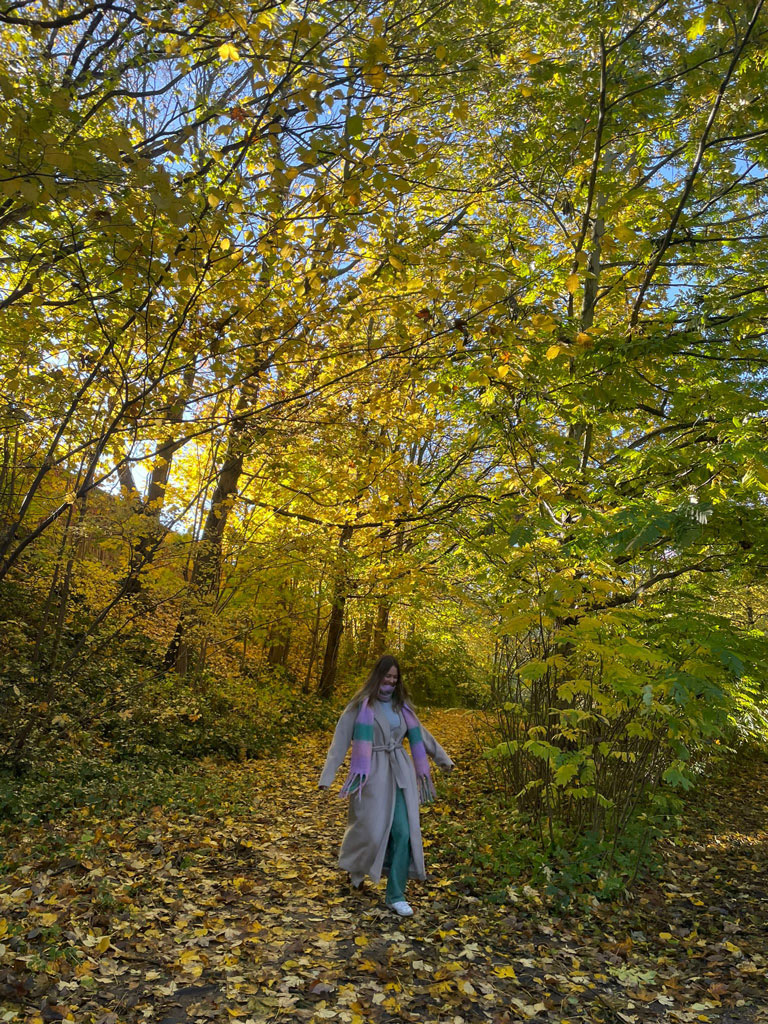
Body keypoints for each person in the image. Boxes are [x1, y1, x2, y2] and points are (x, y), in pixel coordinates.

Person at [317, 654, 455, 916]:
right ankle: (356, 868)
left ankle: (395, 894)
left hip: (401, 773)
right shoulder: (360, 706)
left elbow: (422, 736)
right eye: (387, 676)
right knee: (369, 831)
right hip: (370, 774)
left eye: (395, 677)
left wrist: (443, 760)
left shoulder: (402, 707)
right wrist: (327, 777)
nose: (391, 681)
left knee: (403, 832)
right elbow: (340, 742)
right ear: (377, 676)